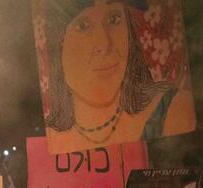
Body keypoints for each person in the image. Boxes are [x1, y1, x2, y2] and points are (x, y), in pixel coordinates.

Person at [41, 0, 194, 153]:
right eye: (83, 25)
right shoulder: (49, 137)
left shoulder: (173, 109)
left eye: (114, 19)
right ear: (59, 42)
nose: (105, 44)